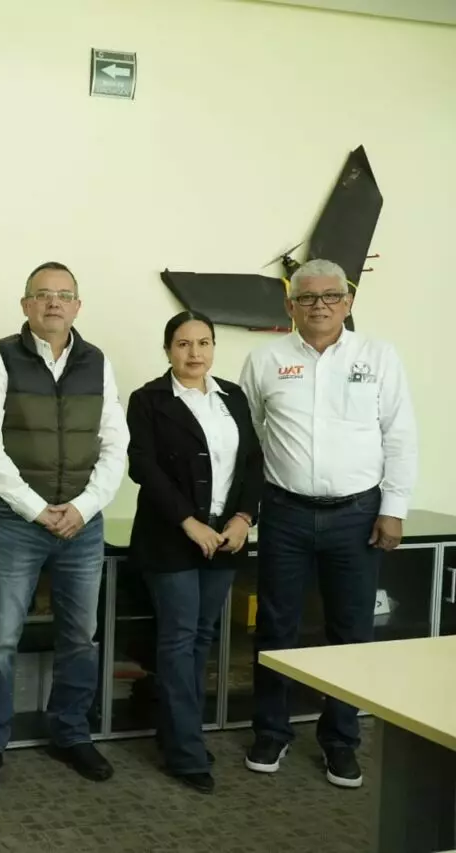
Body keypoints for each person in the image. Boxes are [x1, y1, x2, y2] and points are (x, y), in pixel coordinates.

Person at [239, 258, 417, 789]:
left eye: (330, 296)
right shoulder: (265, 359)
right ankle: (271, 731)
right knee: (276, 627)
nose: (319, 305)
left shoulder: (379, 356)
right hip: (285, 513)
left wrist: (394, 508)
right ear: (290, 305)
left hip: (357, 516)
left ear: (349, 301)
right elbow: (249, 436)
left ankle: (340, 740)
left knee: (351, 631)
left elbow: (400, 435)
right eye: (307, 297)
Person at [0, 261, 129, 788]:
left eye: (63, 294)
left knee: (80, 637)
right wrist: (36, 508)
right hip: (17, 522)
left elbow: (115, 443)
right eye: (42, 294)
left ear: (77, 306)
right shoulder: (1, 357)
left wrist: (84, 506)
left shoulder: (97, 362)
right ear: (25, 305)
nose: (53, 302)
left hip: (83, 522)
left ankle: (71, 732)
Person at [125, 310, 263, 794]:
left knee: (202, 636)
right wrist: (190, 523)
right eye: (183, 344)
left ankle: (177, 732)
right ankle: (186, 752)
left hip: (225, 538)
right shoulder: (148, 400)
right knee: (180, 639)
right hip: (170, 538)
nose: (195, 353)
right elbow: (143, 468)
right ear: (168, 350)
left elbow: (253, 462)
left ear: (213, 348)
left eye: (203, 343)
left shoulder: (233, 397)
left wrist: (243, 518)